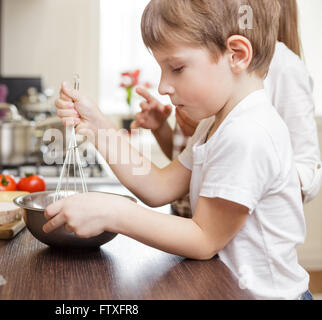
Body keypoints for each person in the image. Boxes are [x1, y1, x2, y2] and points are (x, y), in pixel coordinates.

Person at [47, 0, 311, 299]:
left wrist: (115, 213)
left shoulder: (248, 133)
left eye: (176, 67)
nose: (163, 86)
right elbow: (159, 186)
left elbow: (204, 239)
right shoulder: (216, 123)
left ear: (236, 55)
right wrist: (98, 127)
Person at [131, 0, 322, 218]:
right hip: (186, 217)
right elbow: (182, 166)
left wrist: (246, 172)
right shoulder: (207, 79)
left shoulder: (282, 68)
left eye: (176, 68)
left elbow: (309, 169)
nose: (163, 86)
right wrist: (165, 130)